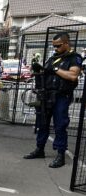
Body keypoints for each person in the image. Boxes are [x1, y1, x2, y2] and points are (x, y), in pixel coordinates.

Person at [24, 32, 82, 168]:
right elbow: (46, 72)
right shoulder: (53, 58)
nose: (55, 48)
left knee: (60, 125)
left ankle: (61, 153)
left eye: (58, 46)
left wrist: (55, 69)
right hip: (46, 94)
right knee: (42, 123)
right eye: (54, 46)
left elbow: (73, 76)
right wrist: (39, 70)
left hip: (61, 95)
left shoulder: (74, 58)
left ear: (66, 43)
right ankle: (40, 149)